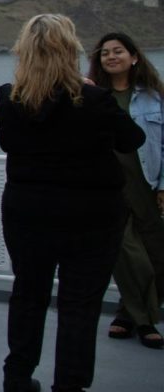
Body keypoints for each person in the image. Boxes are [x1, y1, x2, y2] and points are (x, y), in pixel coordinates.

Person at [0, 14, 144, 392]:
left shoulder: (10, 98)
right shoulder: (94, 99)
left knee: (28, 294)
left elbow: (9, 145)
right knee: (79, 305)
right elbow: (132, 140)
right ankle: (69, 385)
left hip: (27, 212)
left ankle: (17, 377)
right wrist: (93, 94)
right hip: (91, 216)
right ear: (69, 50)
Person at [86, 32, 164, 350]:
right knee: (127, 253)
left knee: (155, 254)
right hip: (109, 186)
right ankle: (146, 322)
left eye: (118, 51)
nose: (111, 57)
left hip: (147, 184)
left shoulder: (155, 97)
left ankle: (125, 314)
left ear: (134, 57)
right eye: (105, 53)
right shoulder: (93, 96)